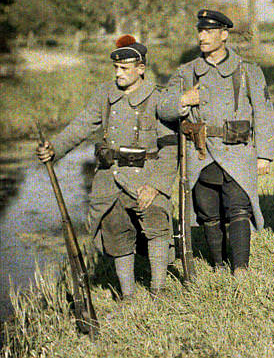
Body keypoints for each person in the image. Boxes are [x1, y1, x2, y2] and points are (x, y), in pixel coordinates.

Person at [36, 35, 177, 298]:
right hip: (108, 179)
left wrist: (156, 186)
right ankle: (129, 296)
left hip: (146, 177)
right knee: (115, 231)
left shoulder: (159, 99)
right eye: (116, 68)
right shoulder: (104, 94)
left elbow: (170, 148)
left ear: (141, 69)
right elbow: (81, 126)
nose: (118, 73)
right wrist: (55, 149)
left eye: (125, 68)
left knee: (157, 222)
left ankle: (159, 290)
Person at [158, 9, 274, 276]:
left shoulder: (248, 71)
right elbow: (162, 107)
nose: (203, 36)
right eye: (200, 31)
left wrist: (264, 155)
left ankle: (240, 268)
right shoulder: (186, 73)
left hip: (238, 151)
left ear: (224, 35)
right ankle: (219, 264)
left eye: (209, 32)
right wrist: (184, 101)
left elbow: (264, 112)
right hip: (200, 154)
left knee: (238, 208)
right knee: (208, 212)